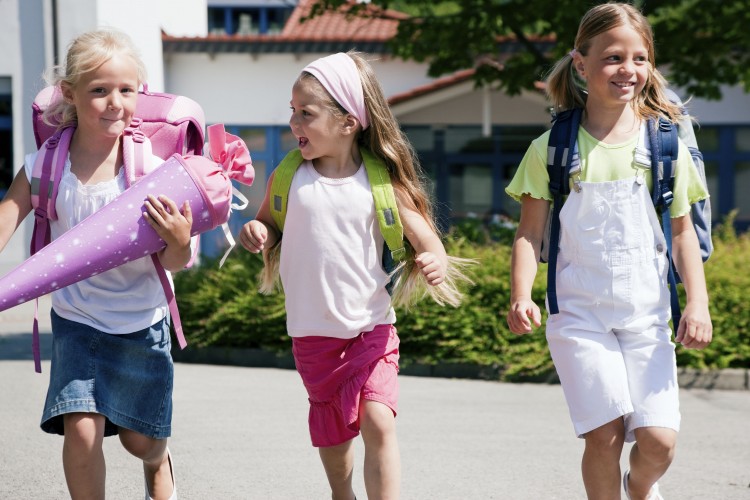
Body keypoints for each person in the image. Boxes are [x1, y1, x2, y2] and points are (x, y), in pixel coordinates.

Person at [239, 51, 471, 500]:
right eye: (292, 112)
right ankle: (341, 493)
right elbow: (268, 224)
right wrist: (257, 231)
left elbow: (429, 240)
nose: (294, 123)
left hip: (372, 328)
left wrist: (436, 261)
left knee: (379, 421)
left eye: (306, 113)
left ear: (348, 122)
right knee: (335, 438)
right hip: (313, 334)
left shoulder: (381, 183)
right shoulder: (288, 177)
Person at [505, 3, 712, 500]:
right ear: (581, 63)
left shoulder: (664, 146)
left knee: (659, 443)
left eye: (640, 59)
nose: (629, 70)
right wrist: (521, 294)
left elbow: (683, 234)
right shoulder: (551, 148)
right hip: (579, 316)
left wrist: (698, 304)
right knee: (605, 433)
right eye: (614, 57)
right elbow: (530, 234)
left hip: (647, 316)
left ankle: (637, 489)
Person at [0, 30, 189, 500]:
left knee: (138, 439)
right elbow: (7, 217)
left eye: (126, 90)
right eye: (100, 90)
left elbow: (175, 260)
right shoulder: (46, 165)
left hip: (142, 322)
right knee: (81, 430)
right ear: (70, 93)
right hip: (77, 320)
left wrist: (180, 241)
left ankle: (157, 460)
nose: (115, 103)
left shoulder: (149, 166)